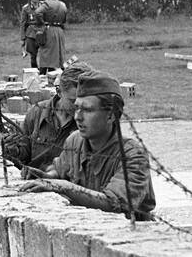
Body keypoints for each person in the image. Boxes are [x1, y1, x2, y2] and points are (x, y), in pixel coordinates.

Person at [19, 71, 156, 221]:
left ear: (111, 115)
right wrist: (42, 177)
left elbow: (114, 204)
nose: (78, 116)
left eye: (88, 110)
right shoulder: (74, 141)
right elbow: (58, 171)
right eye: (77, 108)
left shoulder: (132, 155)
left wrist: (63, 186)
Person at [4, 62, 92, 171]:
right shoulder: (37, 113)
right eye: (73, 101)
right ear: (59, 92)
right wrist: (14, 151)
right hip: (33, 181)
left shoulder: (90, 120)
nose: (79, 107)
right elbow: (23, 156)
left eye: (85, 101)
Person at [34, 0, 67, 75]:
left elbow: (37, 12)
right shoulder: (62, 4)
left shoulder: (47, 4)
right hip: (60, 31)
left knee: (46, 54)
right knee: (58, 55)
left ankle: (43, 75)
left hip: (50, 30)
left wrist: (42, 23)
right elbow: (65, 17)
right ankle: (55, 75)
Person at [19, 0, 42, 69]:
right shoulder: (26, 8)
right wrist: (22, 38)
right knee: (33, 55)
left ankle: (45, 72)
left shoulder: (43, 5)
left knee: (45, 54)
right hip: (31, 33)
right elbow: (23, 24)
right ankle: (34, 71)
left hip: (42, 31)